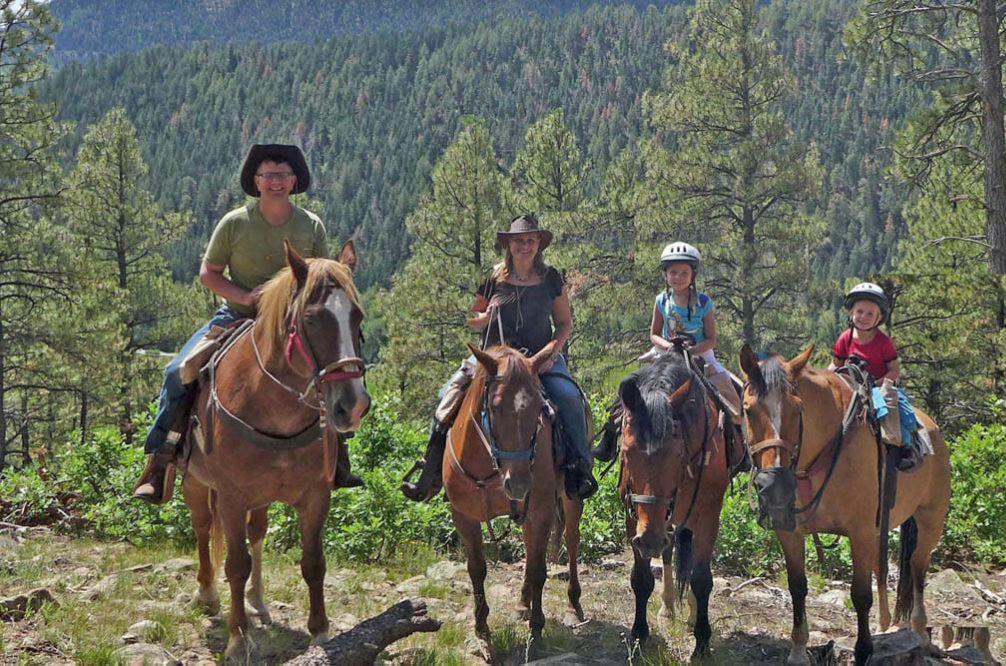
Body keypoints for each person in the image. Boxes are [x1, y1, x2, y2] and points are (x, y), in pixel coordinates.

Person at [132, 144, 363, 503]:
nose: (276, 182)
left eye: (283, 175)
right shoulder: (235, 223)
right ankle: (162, 456)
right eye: (268, 176)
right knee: (179, 370)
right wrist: (245, 297)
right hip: (238, 316)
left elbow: (317, 277)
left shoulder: (310, 225)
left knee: (335, 371)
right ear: (256, 182)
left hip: (292, 324)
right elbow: (209, 273)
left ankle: (338, 456)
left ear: (294, 181)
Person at [401, 215, 598, 502]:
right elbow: (472, 319)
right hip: (492, 360)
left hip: (537, 359)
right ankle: (431, 473)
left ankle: (579, 467)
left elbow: (564, 323)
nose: (525, 246)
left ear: (539, 244)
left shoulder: (551, 278)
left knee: (568, 397)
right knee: (447, 398)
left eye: (531, 240)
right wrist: (486, 315)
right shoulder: (495, 277)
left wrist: (552, 352)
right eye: (519, 240)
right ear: (509, 244)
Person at [641, 242, 745, 472]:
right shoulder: (661, 301)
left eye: (684, 273)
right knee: (634, 387)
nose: (678, 277)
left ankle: (740, 442)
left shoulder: (704, 303)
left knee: (731, 389)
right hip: (668, 352)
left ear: (693, 275)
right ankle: (613, 435)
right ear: (665, 274)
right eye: (673, 273)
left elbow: (711, 339)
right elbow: (654, 334)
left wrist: (692, 350)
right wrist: (669, 347)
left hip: (700, 352)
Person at [826, 282, 927, 471]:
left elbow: (894, 369)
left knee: (898, 407)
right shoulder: (845, 338)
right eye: (859, 311)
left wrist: (882, 383)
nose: (863, 317)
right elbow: (836, 363)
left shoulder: (883, 341)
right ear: (851, 313)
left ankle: (906, 446)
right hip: (851, 385)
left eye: (870, 314)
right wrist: (826, 378)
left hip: (877, 386)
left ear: (879, 318)